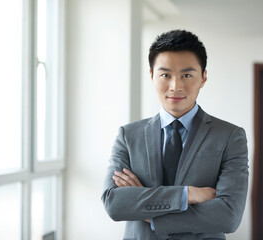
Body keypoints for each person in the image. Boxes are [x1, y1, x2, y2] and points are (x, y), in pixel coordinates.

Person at [101, 30, 248, 240]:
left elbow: (229, 216)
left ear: (204, 77)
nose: (176, 86)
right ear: (152, 75)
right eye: (165, 75)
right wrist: (187, 194)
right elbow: (114, 203)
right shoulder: (128, 135)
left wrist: (149, 214)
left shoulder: (230, 136)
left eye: (187, 75)